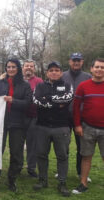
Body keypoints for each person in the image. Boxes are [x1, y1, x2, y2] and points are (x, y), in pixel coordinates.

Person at [0, 58, 32, 191]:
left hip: (18, 123)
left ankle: (12, 179)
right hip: (0, 122)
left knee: (17, 153)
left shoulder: (25, 85)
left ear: (18, 68)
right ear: (6, 69)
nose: (11, 69)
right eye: (8, 67)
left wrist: (13, 101)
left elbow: (28, 103)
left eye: (13, 67)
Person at [33, 61, 73, 197]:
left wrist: (48, 100)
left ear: (61, 72)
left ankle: (62, 183)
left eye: (57, 70)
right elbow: (36, 100)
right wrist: (56, 103)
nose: (54, 72)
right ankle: (42, 180)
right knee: (41, 155)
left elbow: (67, 98)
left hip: (61, 127)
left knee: (62, 156)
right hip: (42, 127)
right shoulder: (39, 86)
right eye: (51, 70)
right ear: (47, 73)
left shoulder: (67, 85)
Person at [72, 58, 104, 194]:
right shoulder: (83, 86)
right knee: (86, 157)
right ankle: (83, 183)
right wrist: (77, 125)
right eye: (97, 67)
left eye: (102, 67)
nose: (99, 69)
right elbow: (76, 107)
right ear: (91, 69)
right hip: (87, 127)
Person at [61, 52, 91, 181]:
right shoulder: (62, 76)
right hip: (64, 116)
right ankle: (62, 170)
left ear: (82, 62)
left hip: (81, 117)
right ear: (69, 61)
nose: (76, 62)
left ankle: (80, 172)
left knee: (81, 146)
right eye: (74, 60)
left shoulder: (88, 77)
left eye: (78, 60)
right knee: (63, 145)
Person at [22, 59, 43, 178]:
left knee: (32, 143)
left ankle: (31, 167)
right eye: (26, 66)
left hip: (34, 116)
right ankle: (17, 165)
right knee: (18, 143)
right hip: (20, 116)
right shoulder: (18, 80)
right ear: (23, 68)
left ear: (34, 68)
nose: (28, 68)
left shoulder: (39, 81)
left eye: (31, 66)